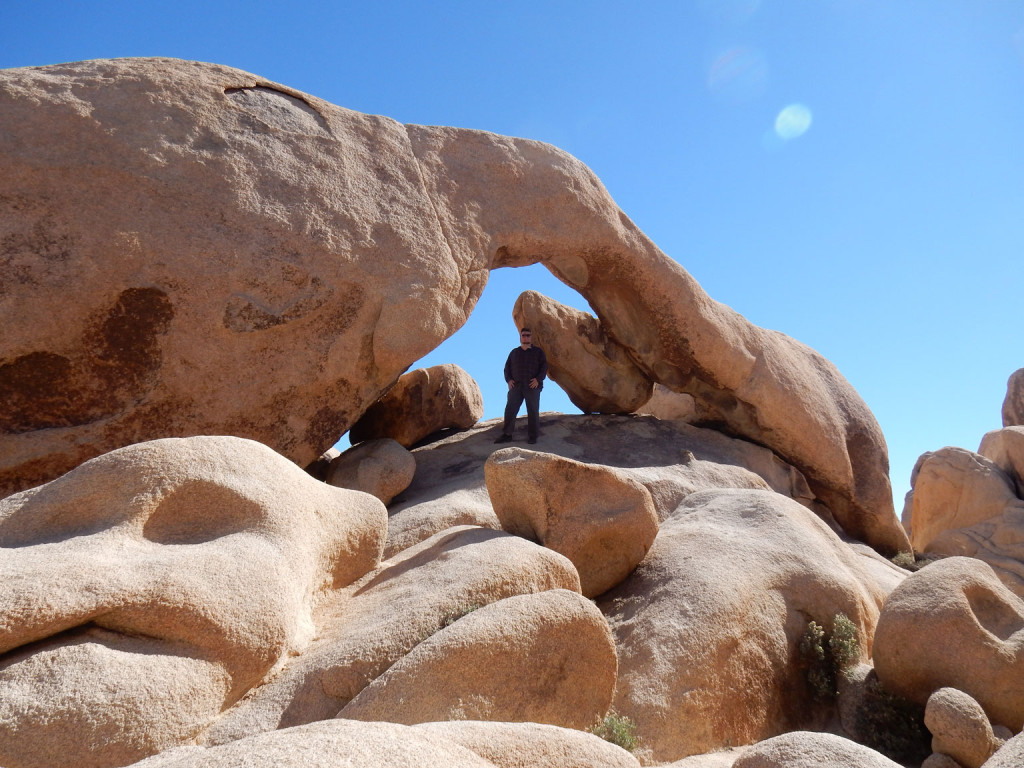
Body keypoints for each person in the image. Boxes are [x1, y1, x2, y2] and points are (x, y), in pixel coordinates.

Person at [494, 327, 548, 444]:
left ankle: (533, 436)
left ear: (531, 337)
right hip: (516, 386)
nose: (526, 337)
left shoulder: (538, 352)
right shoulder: (514, 352)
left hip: (532, 386)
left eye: (528, 335)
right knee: (510, 409)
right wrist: (508, 380)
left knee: (533, 410)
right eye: (523, 335)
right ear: (520, 337)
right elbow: (507, 368)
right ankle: (507, 434)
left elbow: (544, 367)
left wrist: (538, 379)